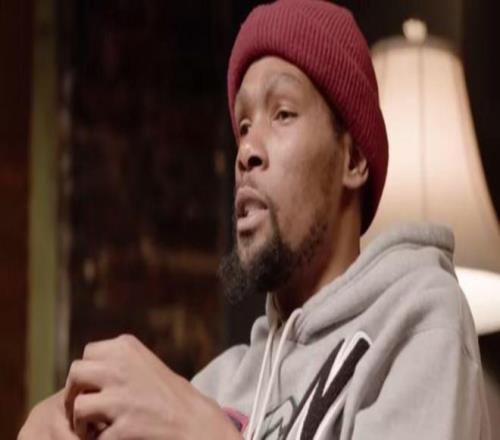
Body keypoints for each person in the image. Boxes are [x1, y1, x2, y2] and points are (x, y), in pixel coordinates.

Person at [18, 1, 491, 439]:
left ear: (353, 160)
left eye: (282, 114)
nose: (246, 149)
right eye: (243, 126)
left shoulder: (420, 321)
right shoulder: (220, 388)